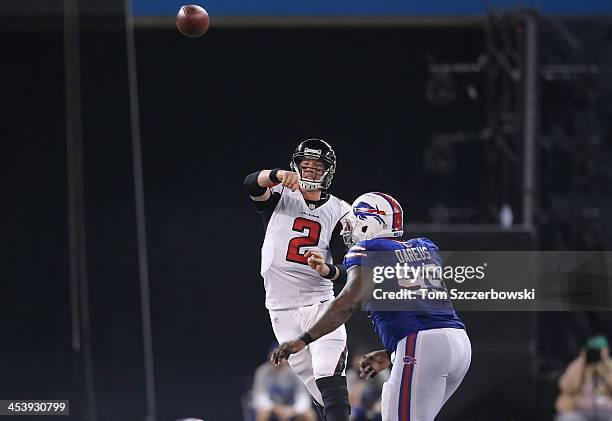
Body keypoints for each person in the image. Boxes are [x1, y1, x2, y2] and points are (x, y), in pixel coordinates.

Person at [272, 192, 471, 421]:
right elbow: (408, 295)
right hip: (458, 344)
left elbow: (347, 302)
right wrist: (392, 352)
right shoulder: (425, 247)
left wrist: (303, 339)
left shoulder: (368, 250)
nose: (351, 229)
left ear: (370, 223)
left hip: (422, 345)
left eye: (355, 222)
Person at [244, 139, 352, 420]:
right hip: (281, 309)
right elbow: (251, 184)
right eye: (306, 166)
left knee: (330, 379)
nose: (312, 172)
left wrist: (328, 271)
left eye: (318, 167)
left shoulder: (341, 211)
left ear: (328, 171)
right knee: (319, 394)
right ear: (295, 167)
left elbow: (356, 270)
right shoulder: (280, 194)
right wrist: (276, 175)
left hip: (319, 304)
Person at [556, 335, 612, 421]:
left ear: (606, 350)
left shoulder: (609, 365)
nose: (596, 353)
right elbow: (565, 386)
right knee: (567, 418)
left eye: (599, 350)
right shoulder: (577, 365)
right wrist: (582, 363)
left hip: (608, 410)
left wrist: (605, 369)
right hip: (580, 410)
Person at [252, 349, 316, 421]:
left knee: (309, 414)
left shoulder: (294, 371)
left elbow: (303, 399)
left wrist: (291, 411)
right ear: (270, 356)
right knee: (262, 412)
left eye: (281, 355)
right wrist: (277, 409)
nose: (278, 358)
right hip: (272, 409)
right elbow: (260, 398)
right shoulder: (262, 371)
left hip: (290, 409)